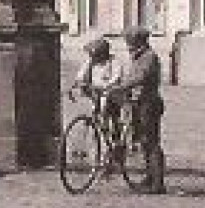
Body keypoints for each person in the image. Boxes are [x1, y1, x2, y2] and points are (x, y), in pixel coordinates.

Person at [112, 29, 167, 194]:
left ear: (139, 42)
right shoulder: (137, 56)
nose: (128, 45)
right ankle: (150, 178)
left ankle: (158, 183)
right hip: (138, 103)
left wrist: (122, 86)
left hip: (148, 104)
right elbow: (131, 77)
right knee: (144, 141)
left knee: (151, 143)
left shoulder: (149, 56)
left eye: (131, 42)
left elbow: (140, 77)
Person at [70, 36, 124, 151]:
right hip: (95, 92)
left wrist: (107, 85)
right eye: (92, 55)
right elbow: (81, 74)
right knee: (93, 110)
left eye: (96, 55)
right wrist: (78, 83)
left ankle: (115, 140)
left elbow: (116, 77)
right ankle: (84, 142)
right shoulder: (90, 62)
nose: (93, 58)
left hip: (111, 94)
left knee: (109, 112)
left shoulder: (114, 62)